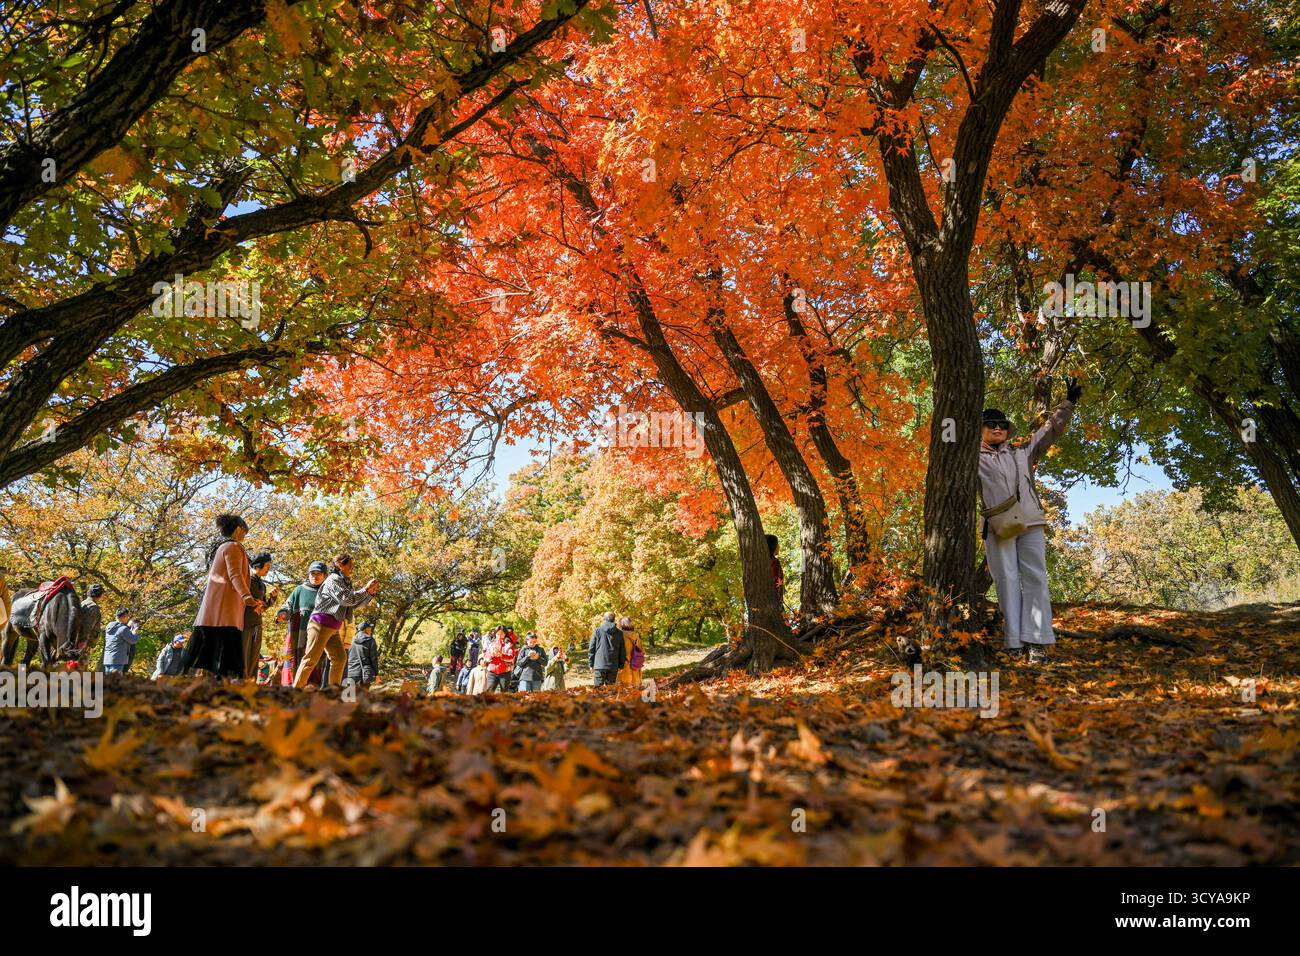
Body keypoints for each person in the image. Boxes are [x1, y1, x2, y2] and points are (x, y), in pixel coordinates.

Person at [978, 378, 1081, 664]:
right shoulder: (973, 458)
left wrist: (1068, 404)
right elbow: (948, 443)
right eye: (990, 424)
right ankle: (1013, 642)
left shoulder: (1022, 452)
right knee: (1006, 581)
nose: (997, 427)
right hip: (998, 526)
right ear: (980, 430)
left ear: (1008, 430)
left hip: (1031, 522)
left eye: (1001, 424)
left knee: (1035, 578)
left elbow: (1050, 431)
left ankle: (1036, 642)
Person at [185, 513, 260, 678]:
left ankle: (198, 677)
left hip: (216, 607)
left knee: (208, 643)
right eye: (245, 533)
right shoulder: (233, 547)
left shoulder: (221, 547)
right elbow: (235, 575)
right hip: (227, 606)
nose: (245, 537)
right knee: (228, 644)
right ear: (239, 529)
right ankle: (228, 679)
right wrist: (246, 596)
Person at [292, 553, 378, 689]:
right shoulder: (334, 579)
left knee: (340, 658)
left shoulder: (345, 582)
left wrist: (369, 594)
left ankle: (333, 692)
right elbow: (347, 599)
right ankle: (294, 692)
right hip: (320, 625)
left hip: (333, 628)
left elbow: (352, 604)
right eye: (349, 565)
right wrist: (365, 589)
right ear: (340, 565)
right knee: (310, 660)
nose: (352, 568)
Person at [282, 561, 328, 686]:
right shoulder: (299, 590)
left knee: (317, 664)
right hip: (299, 635)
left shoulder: (328, 593)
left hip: (318, 636)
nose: (315, 576)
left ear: (325, 576)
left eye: (319, 574)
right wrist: (283, 613)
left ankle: (314, 693)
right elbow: (287, 606)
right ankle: (293, 691)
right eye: (312, 573)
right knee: (296, 662)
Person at [243, 551, 278, 680]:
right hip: (244, 624)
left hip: (257, 624)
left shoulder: (262, 584)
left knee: (254, 657)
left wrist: (272, 599)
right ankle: (239, 684)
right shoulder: (246, 579)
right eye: (267, 566)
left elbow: (262, 607)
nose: (269, 569)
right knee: (244, 656)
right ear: (258, 566)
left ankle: (251, 684)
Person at [588, 611, 625, 687]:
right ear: (614, 619)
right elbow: (622, 651)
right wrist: (621, 666)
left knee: (598, 690)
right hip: (613, 665)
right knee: (610, 690)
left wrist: (591, 664)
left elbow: (591, 648)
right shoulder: (619, 633)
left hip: (599, 665)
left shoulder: (597, 631)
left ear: (604, 619)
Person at [343, 620, 380, 690]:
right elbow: (374, 658)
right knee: (362, 698)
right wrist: (376, 674)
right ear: (366, 629)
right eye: (370, 628)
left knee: (350, 698)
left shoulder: (351, 640)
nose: (371, 630)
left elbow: (346, 656)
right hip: (365, 674)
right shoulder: (370, 640)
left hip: (350, 673)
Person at [76, 582, 105, 665]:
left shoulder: (82, 603)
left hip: (77, 641)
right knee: (81, 667)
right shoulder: (93, 607)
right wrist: (83, 641)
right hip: (84, 644)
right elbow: (87, 626)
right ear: (100, 595)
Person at [102, 607, 138, 674]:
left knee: (108, 682)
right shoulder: (123, 629)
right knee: (115, 682)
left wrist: (127, 626)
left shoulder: (109, 626)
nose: (128, 618)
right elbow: (133, 640)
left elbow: (119, 632)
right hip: (118, 660)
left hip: (107, 659)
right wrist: (134, 632)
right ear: (125, 616)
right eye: (127, 616)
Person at [486, 625, 516, 693]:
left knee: (504, 694)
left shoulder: (509, 644)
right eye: (498, 633)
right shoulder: (492, 643)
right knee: (488, 693)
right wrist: (491, 655)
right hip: (492, 671)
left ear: (505, 633)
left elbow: (511, 657)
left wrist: (502, 655)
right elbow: (486, 656)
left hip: (505, 672)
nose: (499, 635)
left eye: (501, 633)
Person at [616, 617, 644, 686]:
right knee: (635, 690)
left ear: (621, 624)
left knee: (623, 690)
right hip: (635, 666)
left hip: (624, 666)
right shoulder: (637, 636)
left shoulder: (619, 636)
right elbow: (642, 651)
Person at [767, 535, 785, 610]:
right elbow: (776, 580)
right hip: (775, 602)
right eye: (777, 544)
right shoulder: (775, 562)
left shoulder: (766, 561)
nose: (779, 546)